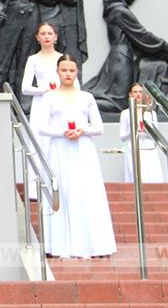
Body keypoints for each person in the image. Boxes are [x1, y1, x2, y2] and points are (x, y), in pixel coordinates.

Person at [33, 54, 116, 258]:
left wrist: (82, 131)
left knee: (86, 192)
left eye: (71, 70)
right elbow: (41, 127)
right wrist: (62, 132)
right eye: (64, 70)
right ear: (58, 72)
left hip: (83, 149)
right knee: (63, 192)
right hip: (60, 149)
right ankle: (60, 245)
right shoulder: (49, 97)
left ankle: (92, 245)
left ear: (76, 72)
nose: (68, 74)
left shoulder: (86, 97)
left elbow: (98, 127)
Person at [119, 83, 165, 183]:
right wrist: (133, 130)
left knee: (151, 174)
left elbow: (157, 135)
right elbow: (122, 137)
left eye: (140, 92)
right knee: (135, 174)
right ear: (130, 95)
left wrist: (147, 130)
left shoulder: (151, 114)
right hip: (133, 147)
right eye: (135, 92)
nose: (138, 94)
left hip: (148, 147)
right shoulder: (126, 113)